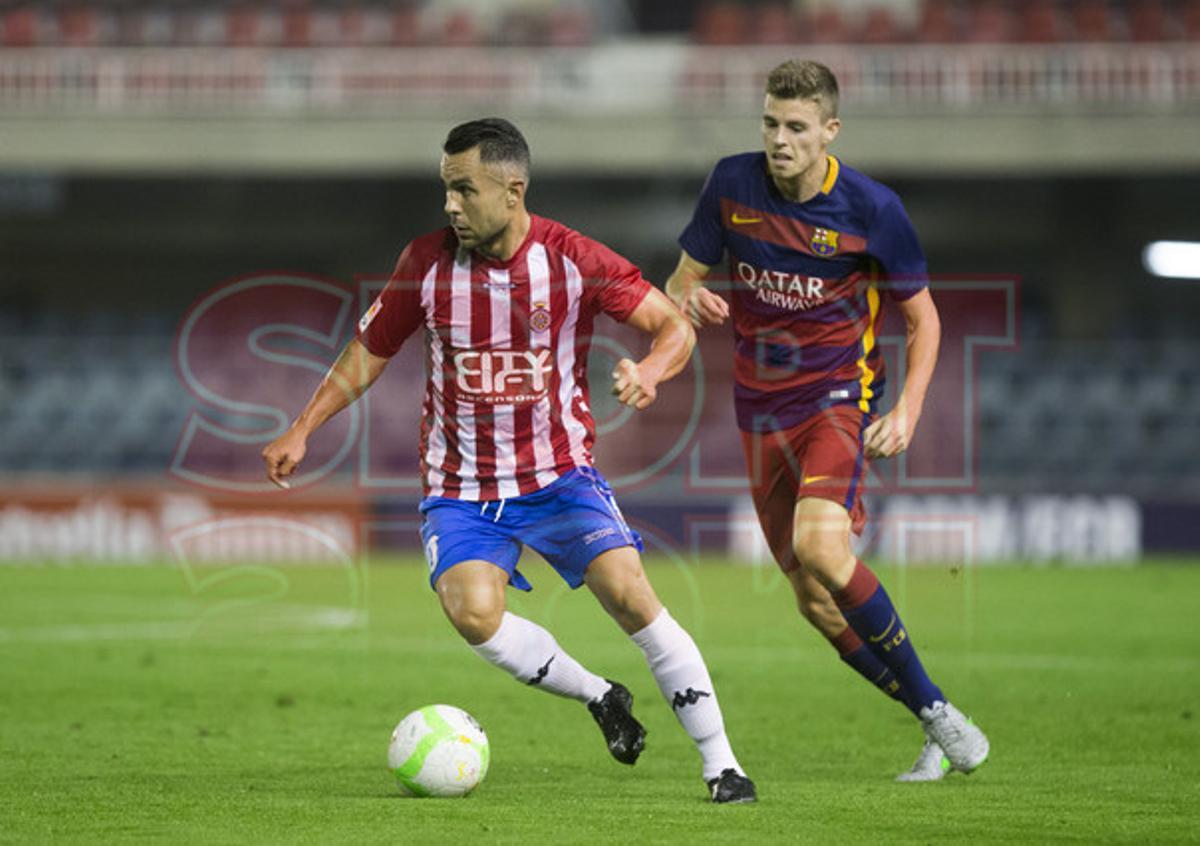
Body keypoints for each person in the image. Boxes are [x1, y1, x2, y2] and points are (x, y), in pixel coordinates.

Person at [262, 118, 756, 803]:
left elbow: (671, 324)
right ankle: (599, 695)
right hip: (461, 488)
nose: (450, 205)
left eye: (463, 189)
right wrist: (303, 426)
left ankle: (721, 763)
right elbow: (369, 352)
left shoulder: (573, 259)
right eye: (446, 189)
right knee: (471, 612)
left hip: (559, 477)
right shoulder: (425, 264)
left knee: (631, 596)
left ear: (512, 189)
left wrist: (651, 371)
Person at [666, 60, 989, 781]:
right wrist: (690, 299)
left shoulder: (873, 209)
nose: (780, 140)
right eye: (771, 124)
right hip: (758, 415)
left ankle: (937, 713)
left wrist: (907, 406)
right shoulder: (731, 184)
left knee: (821, 547)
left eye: (797, 128)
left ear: (830, 132)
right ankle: (934, 716)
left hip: (836, 403)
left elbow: (923, 318)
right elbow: (678, 281)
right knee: (813, 600)